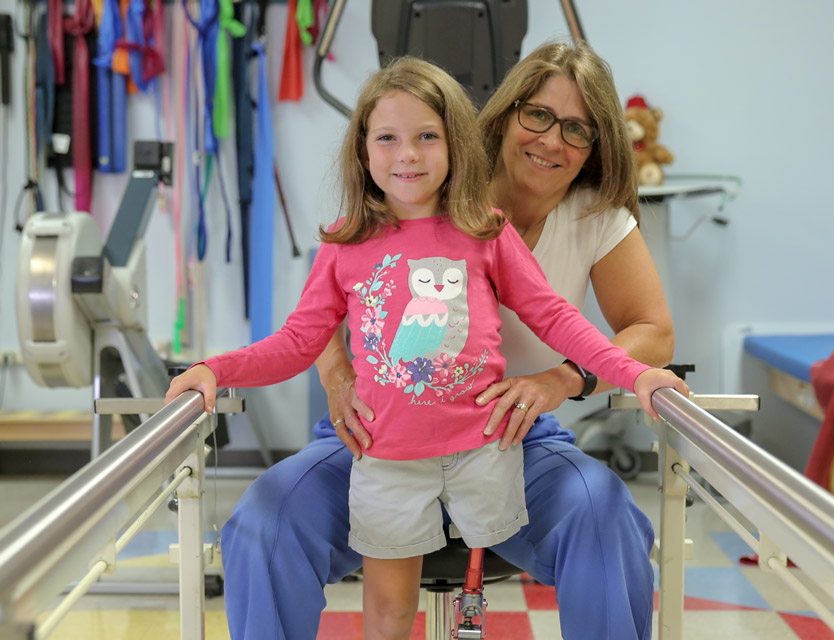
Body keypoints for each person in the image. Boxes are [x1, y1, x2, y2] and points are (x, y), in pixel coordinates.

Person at [167, 54, 686, 638]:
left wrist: (595, 377)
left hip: (504, 434)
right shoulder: (373, 223)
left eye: (576, 127)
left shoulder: (507, 225)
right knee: (266, 520)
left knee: (603, 512)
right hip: (380, 433)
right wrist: (235, 369)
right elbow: (306, 333)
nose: (551, 140)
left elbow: (568, 320)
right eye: (538, 115)